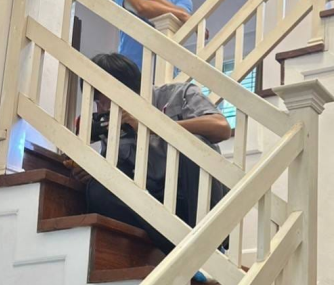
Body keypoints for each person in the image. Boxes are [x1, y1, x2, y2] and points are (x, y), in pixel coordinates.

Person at [75, 53, 230, 254]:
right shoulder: (111, 121)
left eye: (104, 100)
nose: (102, 108)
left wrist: (151, 125)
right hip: (158, 206)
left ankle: (209, 247)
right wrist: (93, 169)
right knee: (98, 190)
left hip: (193, 196)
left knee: (193, 145)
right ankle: (179, 250)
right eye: (96, 102)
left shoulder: (178, 94)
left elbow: (221, 128)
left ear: (126, 89)